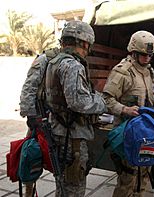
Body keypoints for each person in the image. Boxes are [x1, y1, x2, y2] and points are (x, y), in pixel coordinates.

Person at [45, 20, 107, 196]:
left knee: (63, 186)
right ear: (85, 43)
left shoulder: (54, 62)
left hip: (59, 131)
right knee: (74, 188)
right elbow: (79, 102)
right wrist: (102, 103)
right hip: (72, 138)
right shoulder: (72, 65)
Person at [102, 30, 154, 197]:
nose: (146, 58)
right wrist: (124, 109)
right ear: (133, 52)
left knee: (143, 174)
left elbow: (149, 85)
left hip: (145, 132)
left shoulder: (148, 70)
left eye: (149, 56)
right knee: (127, 178)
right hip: (127, 132)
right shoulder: (123, 71)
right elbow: (106, 99)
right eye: (143, 55)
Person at [19, 47, 60, 197]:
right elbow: (29, 87)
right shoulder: (45, 59)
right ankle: (28, 192)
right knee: (30, 157)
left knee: (58, 164)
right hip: (39, 117)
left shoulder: (70, 60)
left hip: (57, 120)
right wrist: (30, 116)